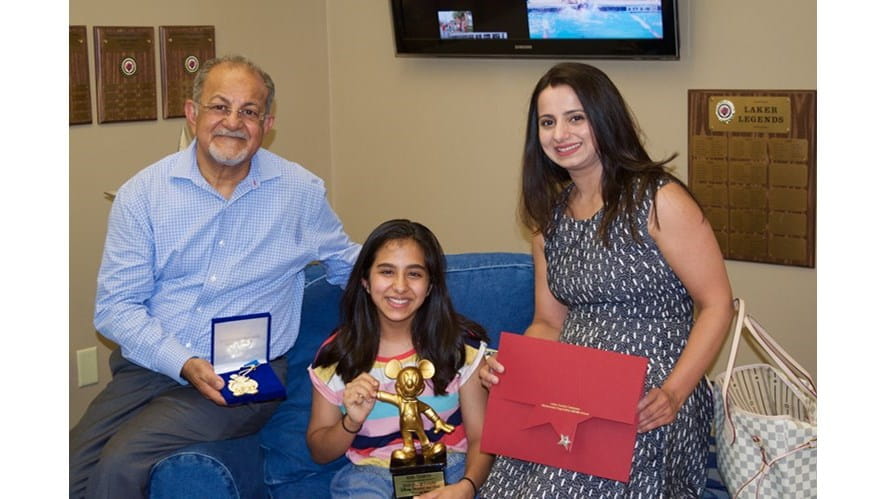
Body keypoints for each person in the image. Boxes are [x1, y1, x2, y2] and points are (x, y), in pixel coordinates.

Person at [69, 55, 360, 498]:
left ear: (267, 124)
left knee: (123, 460)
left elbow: (350, 265)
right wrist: (182, 362)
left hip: (245, 374)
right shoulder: (142, 195)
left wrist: (418, 284)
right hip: (149, 366)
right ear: (192, 114)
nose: (233, 122)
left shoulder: (299, 193)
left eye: (249, 111)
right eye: (220, 107)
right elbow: (116, 308)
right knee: (69, 468)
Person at [479, 62, 734, 497]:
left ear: (604, 119)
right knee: (507, 479)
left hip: (651, 396)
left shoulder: (659, 199)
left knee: (558, 486)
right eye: (547, 122)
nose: (560, 134)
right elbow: (548, 323)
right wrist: (511, 368)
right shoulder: (548, 220)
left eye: (575, 117)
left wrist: (674, 393)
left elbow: (717, 304)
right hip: (572, 390)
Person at [306, 219, 494, 498]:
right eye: (386, 272)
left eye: (414, 274)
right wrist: (351, 422)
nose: (400, 286)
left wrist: (467, 487)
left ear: (430, 286)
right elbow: (319, 452)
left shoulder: (459, 348)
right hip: (370, 473)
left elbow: (481, 438)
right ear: (365, 281)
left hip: (450, 465)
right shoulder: (337, 355)